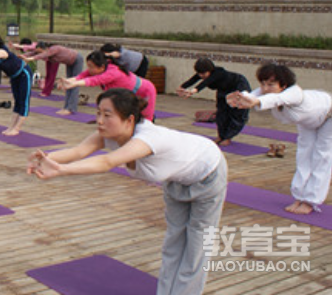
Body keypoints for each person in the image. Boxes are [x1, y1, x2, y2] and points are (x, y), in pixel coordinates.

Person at [28, 88, 227, 295]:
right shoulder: (109, 134)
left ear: (129, 120)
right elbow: (77, 151)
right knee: (174, 241)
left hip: (208, 172)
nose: (100, 121)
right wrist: (46, 158)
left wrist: (60, 170)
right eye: (98, 113)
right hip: (177, 178)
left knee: (197, 245)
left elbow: (106, 162)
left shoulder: (148, 139)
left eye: (107, 115)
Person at [228, 63, 332, 215]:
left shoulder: (294, 92)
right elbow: (252, 95)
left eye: (271, 84)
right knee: (303, 155)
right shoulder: (266, 92)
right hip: (308, 121)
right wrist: (239, 99)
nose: (265, 88)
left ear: (283, 85)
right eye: (263, 83)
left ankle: (311, 201)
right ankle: (299, 197)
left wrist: (256, 102)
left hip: (329, 116)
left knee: (321, 156)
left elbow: (275, 98)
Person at [57, 51, 158, 122]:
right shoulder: (99, 68)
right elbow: (81, 76)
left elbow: (94, 80)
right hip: (129, 95)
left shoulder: (112, 72)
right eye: (88, 66)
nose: (89, 69)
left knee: (147, 120)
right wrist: (68, 81)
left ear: (101, 67)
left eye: (91, 67)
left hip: (145, 90)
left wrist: (73, 84)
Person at [177, 58, 251, 146]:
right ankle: (221, 136)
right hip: (223, 90)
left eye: (203, 73)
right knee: (221, 113)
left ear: (210, 70)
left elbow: (205, 83)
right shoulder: (201, 74)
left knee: (237, 114)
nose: (201, 76)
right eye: (199, 73)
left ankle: (228, 137)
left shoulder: (218, 73)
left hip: (238, 86)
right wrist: (182, 87)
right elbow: (192, 80)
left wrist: (193, 91)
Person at [21, 42, 83, 115]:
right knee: (68, 84)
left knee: (74, 84)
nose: (40, 55)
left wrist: (31, 59)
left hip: (77, 60)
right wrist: (22, 56)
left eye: (40, 52)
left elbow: (43, 54)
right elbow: (34, 53)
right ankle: (66, 107)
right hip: (70, 63)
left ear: (46, 49)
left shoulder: (54, 49)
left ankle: (71, 108)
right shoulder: (46, 51)